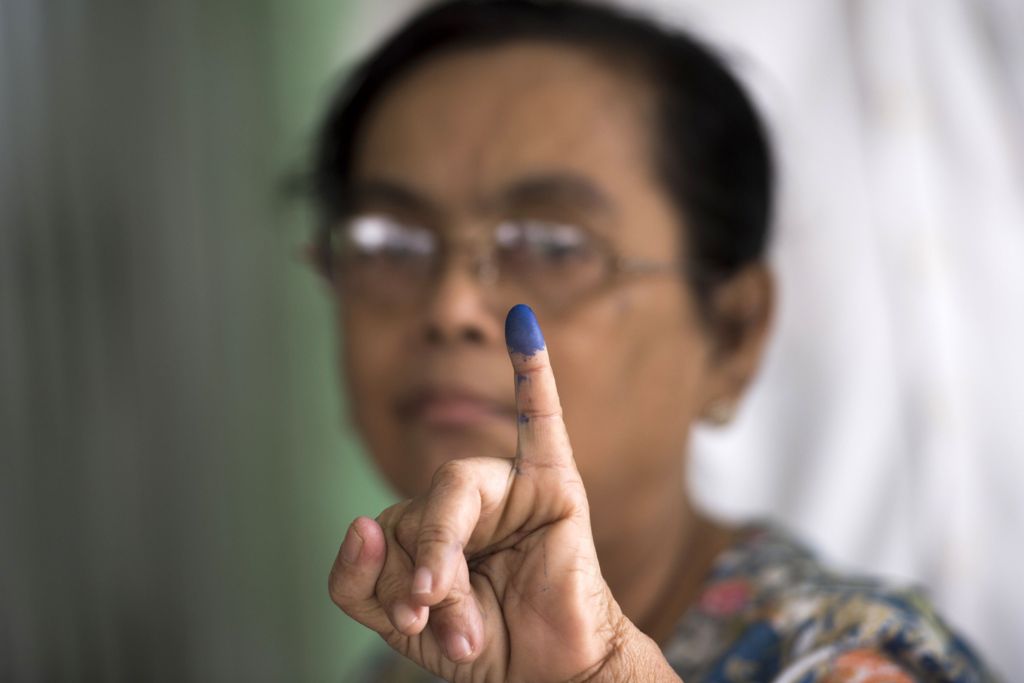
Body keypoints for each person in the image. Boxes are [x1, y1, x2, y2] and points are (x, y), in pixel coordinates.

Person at [311, 1, 996, 680]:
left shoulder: (856, 661)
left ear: (732, 334)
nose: (450, 306)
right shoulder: (406, 660)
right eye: (391, 243)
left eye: (552, 245)